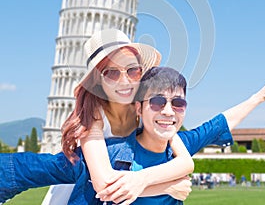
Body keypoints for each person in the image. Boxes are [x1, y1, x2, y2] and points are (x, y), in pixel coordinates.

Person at [1, 68, 265, 204]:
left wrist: (259, 97)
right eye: (157, 102)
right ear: (139, 108)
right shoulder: (108, 153)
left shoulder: (180, 147)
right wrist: (167, 185)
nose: (168, 112)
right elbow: (30, 169)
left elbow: (218, 125)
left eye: (178, 103)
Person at [38, 29, 194, 204]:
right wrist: (166, 187)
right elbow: (104, 185)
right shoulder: (93, 116)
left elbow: (186, 162)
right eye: (112, 73)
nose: (125, 80)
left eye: (132, 71)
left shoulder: (148, 109)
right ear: (97, 81)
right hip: (76, 194)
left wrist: (142, 179)